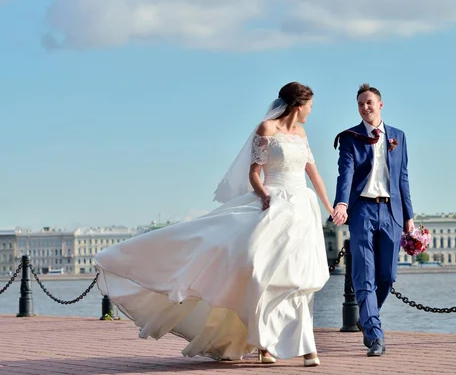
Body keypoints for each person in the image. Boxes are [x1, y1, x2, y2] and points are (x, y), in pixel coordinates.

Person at [94, 82, 332, 367]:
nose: (311, 111)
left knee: (300, 279)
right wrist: (264, 195)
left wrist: (330, 207)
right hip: (273, 204)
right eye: (310, 106)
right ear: (298, 104)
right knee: (258, 271)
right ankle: (263, 343)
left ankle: (305, 348)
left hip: (302, 210)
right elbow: (254, 173)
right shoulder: (266, 129)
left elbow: (313, 174)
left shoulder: (302, 134)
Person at [331, 83, 415, 357]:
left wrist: (409, 217)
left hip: (392, 212)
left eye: (369, 102)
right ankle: (376, 335)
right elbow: (345, 173)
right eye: (360, 104)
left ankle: (367, 317)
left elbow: (402, 177)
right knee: (364, 274)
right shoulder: (350, 138)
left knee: (388, 276)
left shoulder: (398, 137)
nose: (365, 107)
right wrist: (341, 204)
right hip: (362, 211)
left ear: (380, 104)